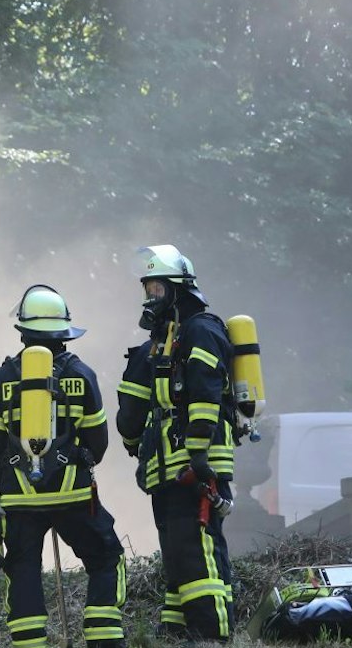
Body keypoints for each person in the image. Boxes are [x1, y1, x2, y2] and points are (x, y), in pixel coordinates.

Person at [0, 285, 125, 648]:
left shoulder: (0, 380)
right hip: (73, 495)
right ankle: (104, 638)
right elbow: (99, 443)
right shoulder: (83, 376)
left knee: (23, 568)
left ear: (23, 331)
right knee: (106, 557)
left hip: (19, 499)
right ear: (64, 332)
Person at [115, 245, 237, 643]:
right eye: (147, 288)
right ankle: (177, 630)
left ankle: (212, 635)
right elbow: (135, 410)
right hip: (168, 468)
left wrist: (199, 455)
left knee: (198, 554)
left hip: (195, 465)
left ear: (179, 288)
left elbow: (205, 394)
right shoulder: (164, 339)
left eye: (157, 288)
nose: (150, 297)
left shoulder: (201, 329)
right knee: (179, 555)